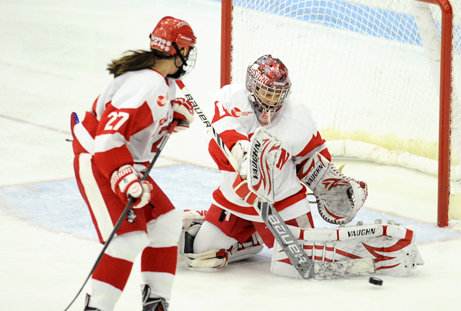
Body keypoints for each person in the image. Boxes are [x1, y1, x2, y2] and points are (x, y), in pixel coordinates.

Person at [177, 55, 369, 271]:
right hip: (236, 198)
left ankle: (254, 234)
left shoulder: (298, 116)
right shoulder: (230, 98)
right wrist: (243, 154)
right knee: (202, 255)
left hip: (282, 201)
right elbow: (220, 138)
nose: (271, 99)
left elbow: (311, 160)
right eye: (266, 91)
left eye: (277, 93)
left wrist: (328, 184)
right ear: (251, 85)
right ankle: (246, 240)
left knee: (304, 262)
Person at [71, 16, 197, 311]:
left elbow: (136, 130)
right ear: (178, 50)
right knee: (127, 242)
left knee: (166, 225)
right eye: (188, 49)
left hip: (123, 163)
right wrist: (125, 178)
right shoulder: (146, 85)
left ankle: (156, 305)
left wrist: (170, 120)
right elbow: (107, 140)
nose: (189, 56)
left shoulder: (163, 82)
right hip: (99, 161)